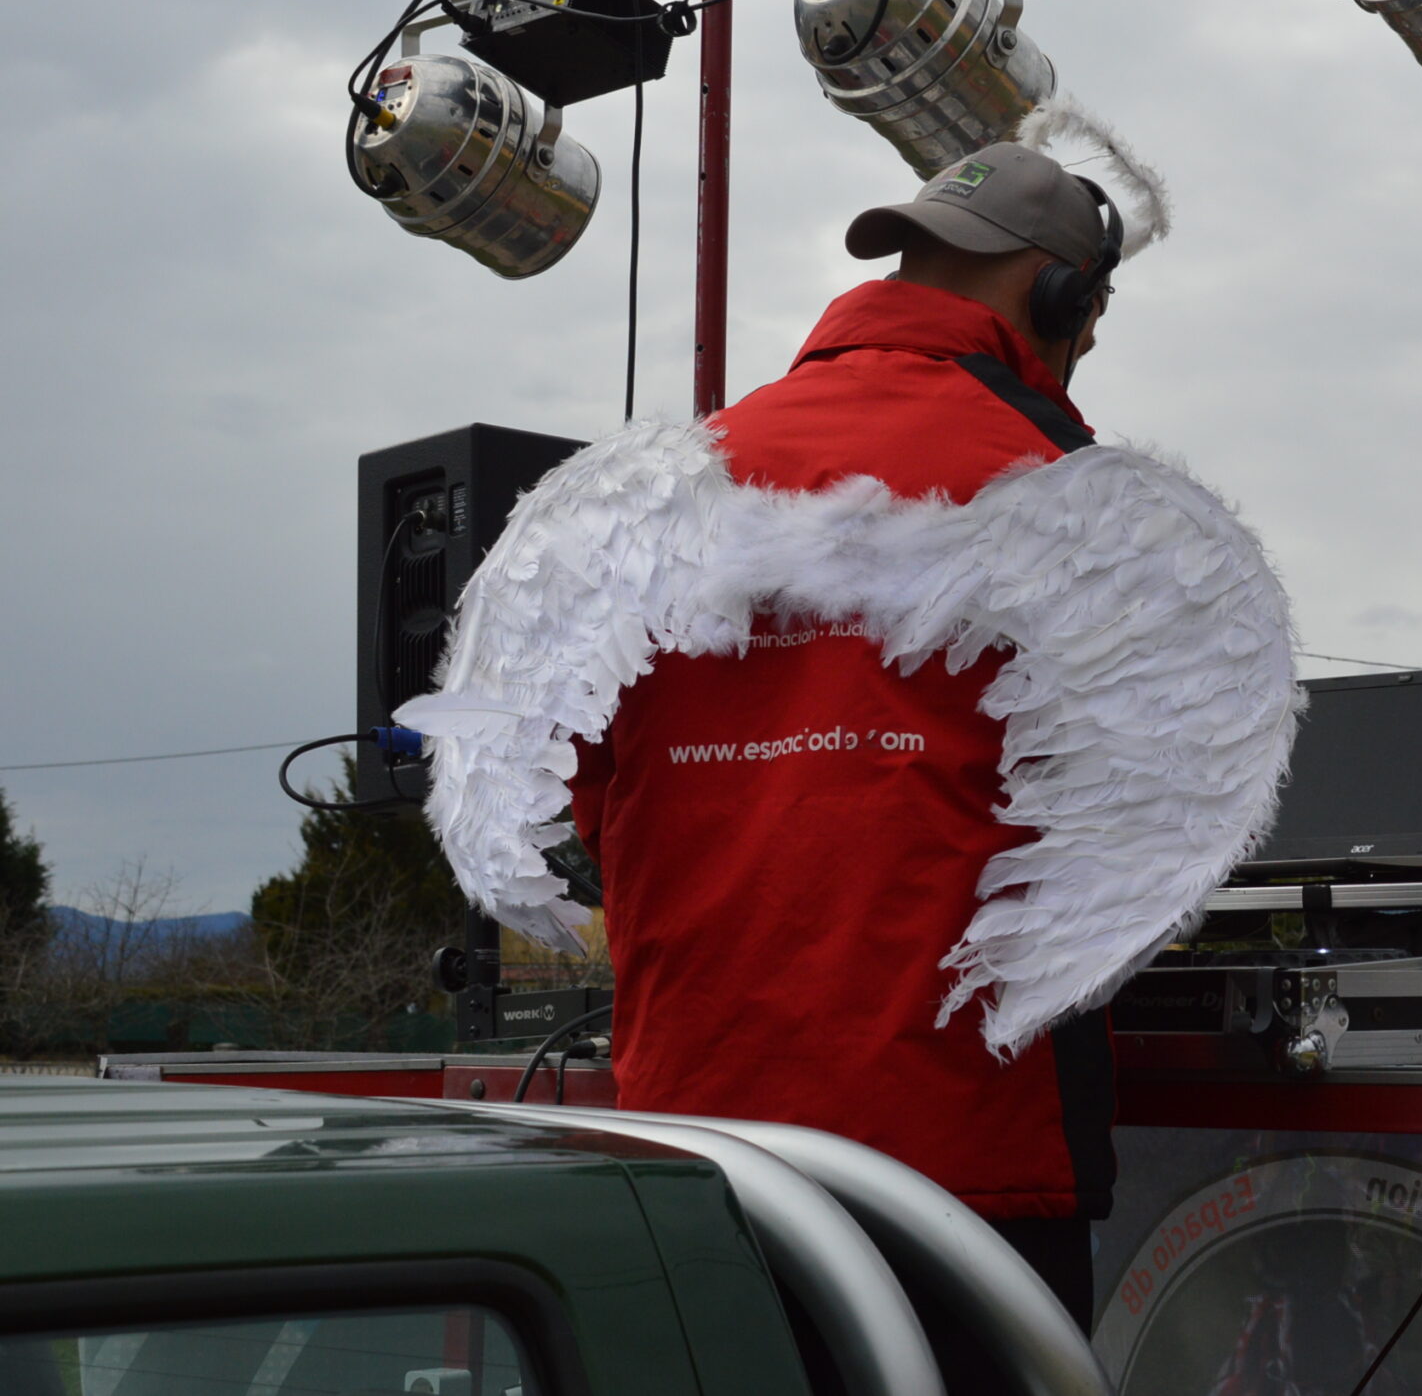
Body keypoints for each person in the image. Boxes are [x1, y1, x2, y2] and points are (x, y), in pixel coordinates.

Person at [401, 134, 1301, 1368]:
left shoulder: (665, 494)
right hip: (965, 1178)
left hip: (700, 1158)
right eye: (1084, 318)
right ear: (1059, 297)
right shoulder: (1067, 499)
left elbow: (586, 805)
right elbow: (1134, 812)